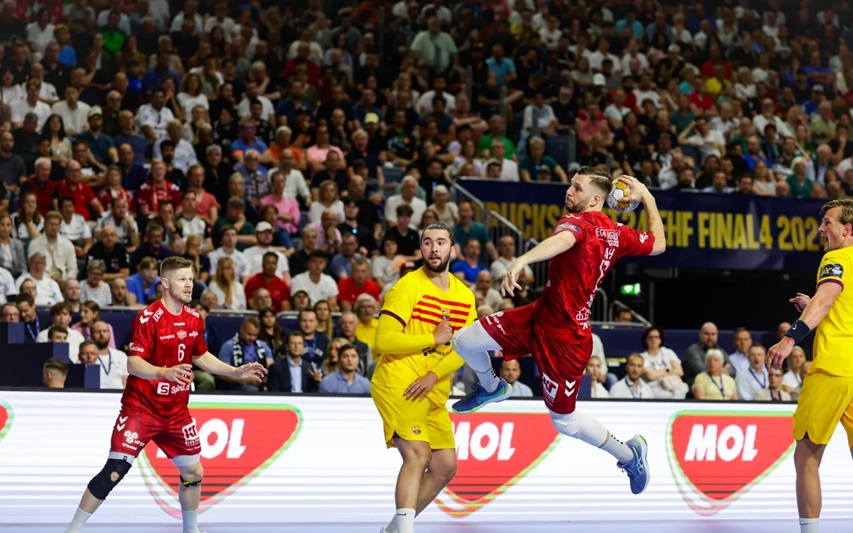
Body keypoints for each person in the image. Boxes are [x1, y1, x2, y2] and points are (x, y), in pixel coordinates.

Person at [450, 169, 665, 497]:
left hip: (566, 340)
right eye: (570, 183)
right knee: (464, 340)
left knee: (565, 422)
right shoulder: (618, 233)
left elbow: (565, 240)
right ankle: (493, 388)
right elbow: (658, 242)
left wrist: (522, 258)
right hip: (538, 315)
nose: (569, 190)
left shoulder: (578, 223)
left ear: (595, 199)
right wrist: (648, 198)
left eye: (576, 187)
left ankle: (630, 454)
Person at [64, 256, 266, 533]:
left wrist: (234, 371)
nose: (188, 285)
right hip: (141, 409)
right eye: (182, 279)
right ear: (165, 283)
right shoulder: (148, 318)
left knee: (194, 473)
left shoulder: (194, 317)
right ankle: (73, 529)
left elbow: (201, 355)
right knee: (114, 471)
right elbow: (133, 363)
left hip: (176, 413)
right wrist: (163, 372)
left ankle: (190, 530)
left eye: (191, 279)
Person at [371, 223, 476, 533]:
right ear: (421, 250)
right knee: (418, 453)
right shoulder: (406, 287)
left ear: (452, 251)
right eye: (427, 242)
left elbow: (463, 348)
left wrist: (434, 373)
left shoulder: (465, 296)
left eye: (441, 242)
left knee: (445, 466)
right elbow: (383, 341)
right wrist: (431, 338)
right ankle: (404, 530)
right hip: (398, 379)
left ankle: (394, 528)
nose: (434, 248)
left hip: (432, 385)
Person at [767, 198, 853, 533]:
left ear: (848, 230)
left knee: (806, 456)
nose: (821, 229)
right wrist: (814, 307)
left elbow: (827, 298)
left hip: (833, 368)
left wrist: (790, 337)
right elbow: (838, 305)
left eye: (828, 223)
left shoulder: (835, 258)